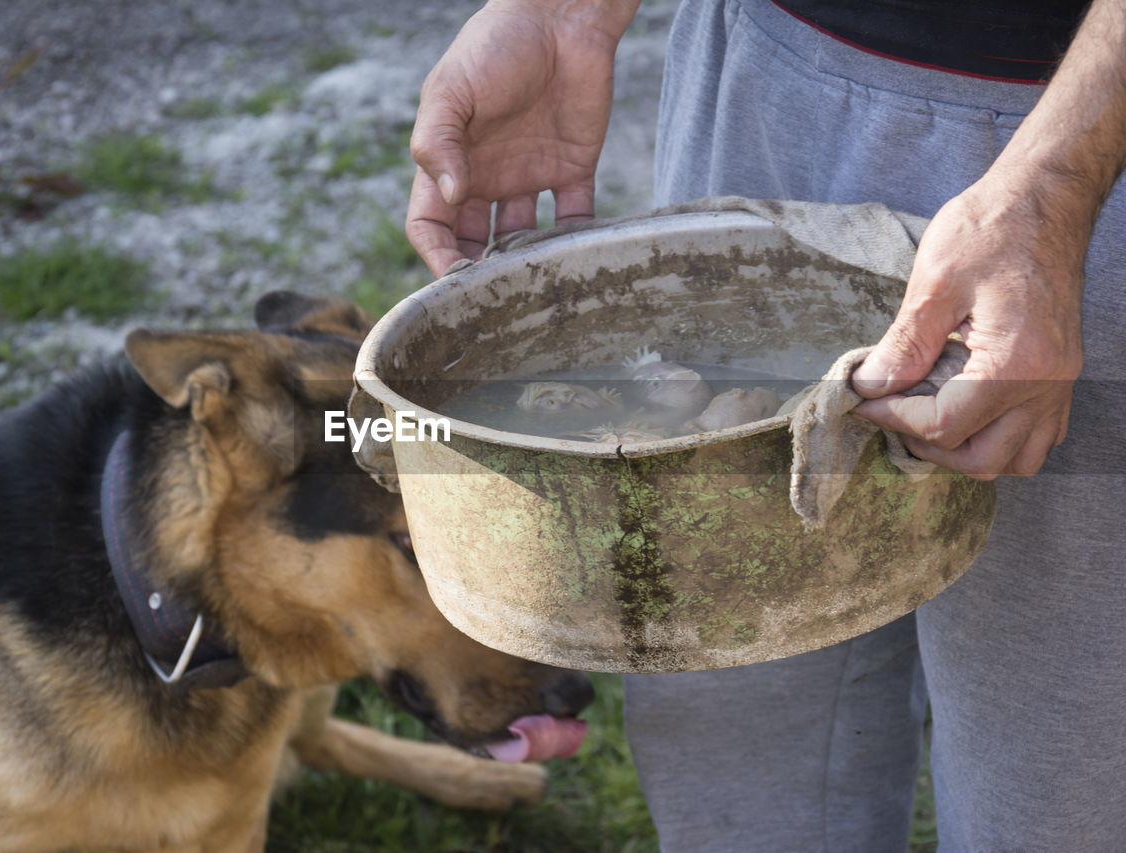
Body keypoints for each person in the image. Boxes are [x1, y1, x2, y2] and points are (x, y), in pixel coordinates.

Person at [405, 0, 1126, 850]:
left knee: (1057, 791)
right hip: (767, 72)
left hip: (1091, 124)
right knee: (732, 750)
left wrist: (1055, 185)